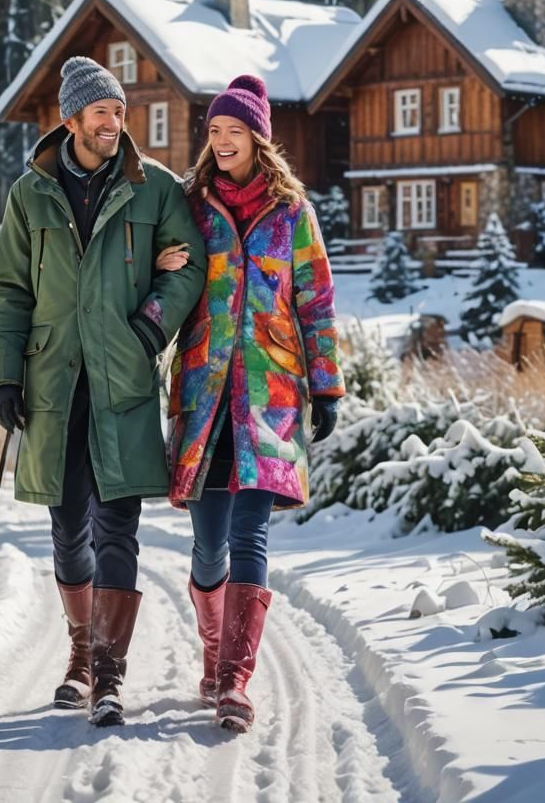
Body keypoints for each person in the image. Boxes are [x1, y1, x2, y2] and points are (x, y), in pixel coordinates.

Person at [0, 56, 205, 727]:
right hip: (55, 383)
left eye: (120, 112)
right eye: (102, 112)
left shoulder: (154, 189)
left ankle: (108, 672)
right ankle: (79, 655)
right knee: (66, 528)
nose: (114, 123)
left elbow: (188, 268)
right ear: (71, 119)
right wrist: (4, 374)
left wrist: (149, 327)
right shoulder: (31, 194)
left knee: (118, 528)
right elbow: (11, 291)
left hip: (122, 382)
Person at [160, 73, 344, 733]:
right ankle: (213, 653)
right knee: (208, 547)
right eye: (214, 131)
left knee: (250, 535)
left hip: (272, 396)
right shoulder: (192, 206)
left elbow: (316, 301)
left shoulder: (293, 214)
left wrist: (326, 385)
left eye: (234, 131)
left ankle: (236, 678)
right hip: (206, 397)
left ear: (258, 140)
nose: (222, 141)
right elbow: (169, 278)